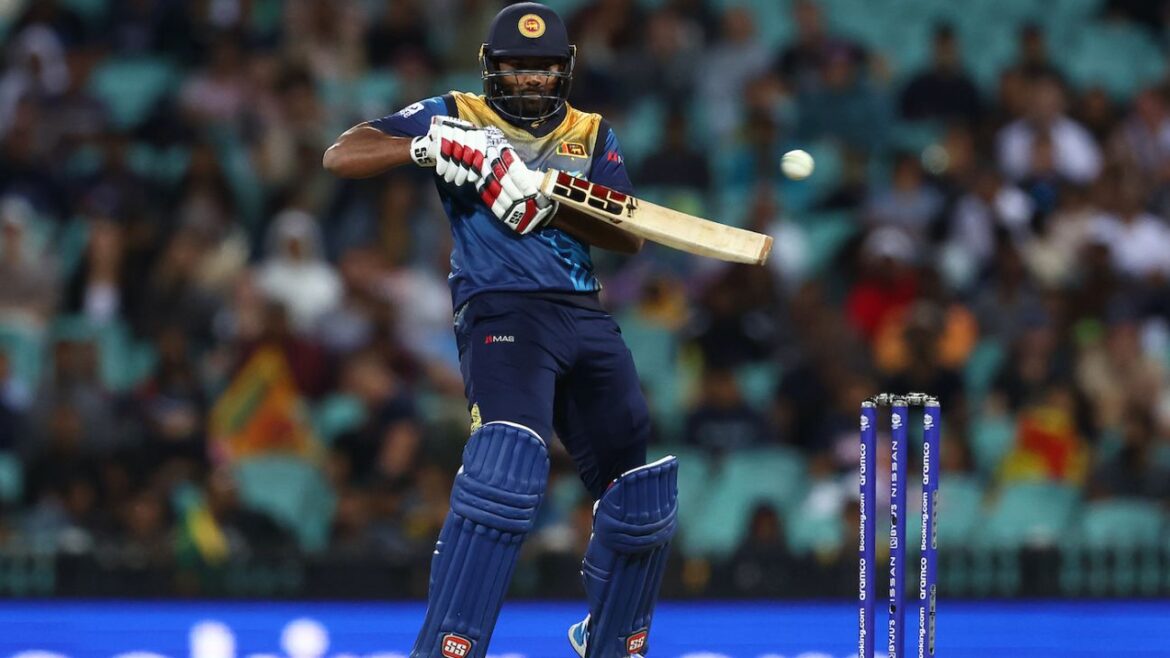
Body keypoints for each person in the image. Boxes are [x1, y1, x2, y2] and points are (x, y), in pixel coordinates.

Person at [322, 4, 678, 658]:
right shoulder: (455, 112)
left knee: (638, 492)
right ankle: (449, 644)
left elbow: (627, 234)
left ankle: (609, 637)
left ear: (564, 70)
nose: (531, 80)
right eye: (517, 67)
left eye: (543, 69)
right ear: (491, 68)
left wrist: (554, 201)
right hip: (501, 309)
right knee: (506, 466)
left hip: (582, 312)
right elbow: (341, 154)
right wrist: (425, 147)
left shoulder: (591, 131)